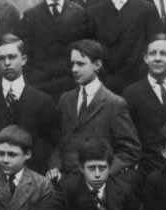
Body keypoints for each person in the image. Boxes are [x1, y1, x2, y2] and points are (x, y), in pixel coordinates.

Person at [50, 40, 141, 182]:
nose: (74, 69)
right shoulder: (66, 99)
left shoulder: (114, 103)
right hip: (66, 182)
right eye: (72, 64)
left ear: (97, 65)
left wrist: (103, 174)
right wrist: (54, 166)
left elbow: (130, 150)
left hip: (98, 185)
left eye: (80, 64)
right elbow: (58, 142)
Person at [17, 0, 93, 101]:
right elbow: (26, 54)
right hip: (40, 86)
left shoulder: (79, 13)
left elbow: (85, 50)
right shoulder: (30, 16)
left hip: (71, 84)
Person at [0, 35, 60, 174]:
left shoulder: (43, 101)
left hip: (34, 179)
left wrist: (53, 168)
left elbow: (54, 144)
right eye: (2, 58)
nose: (7, 63)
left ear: (23, 59)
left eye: (12, 57)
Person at [89, 0, 161, 94]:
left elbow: (153, 45)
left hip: (137, 82)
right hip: (104, 83)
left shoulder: (147, 9)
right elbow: (92, 50)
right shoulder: (95, 12)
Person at [122, 34, 166, 176]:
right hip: (146, 170)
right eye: (152, 53)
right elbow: (129, 136)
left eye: (164, 54)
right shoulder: (132, 93)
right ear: (145, 58)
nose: (157, 58)